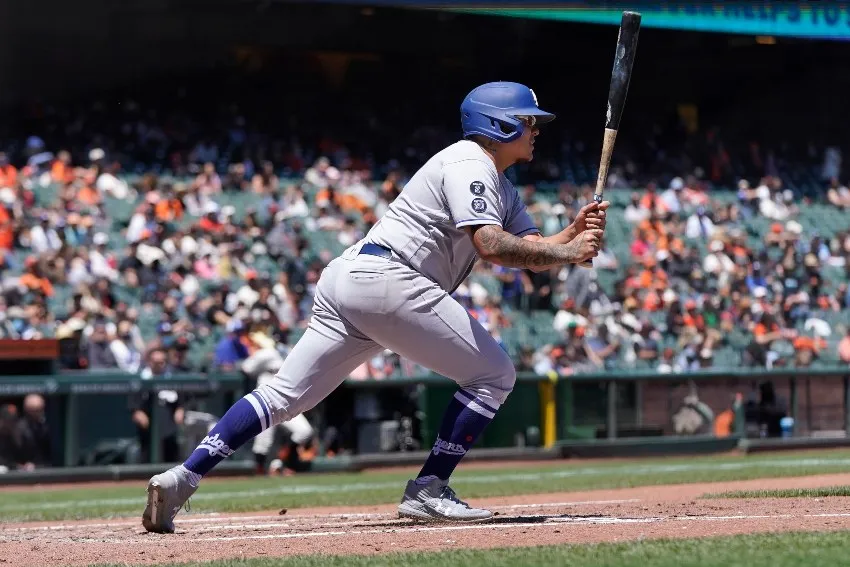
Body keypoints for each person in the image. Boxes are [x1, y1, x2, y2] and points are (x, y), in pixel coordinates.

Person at [142, 81, 606, 532]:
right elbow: (490, 245)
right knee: (495, 376)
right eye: (528, 122)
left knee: (284, 395)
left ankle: (182, 477)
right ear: (500, 125)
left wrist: (572, 234)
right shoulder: (470, 162)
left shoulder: (501, 186)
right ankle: (429, 487)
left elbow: (531, 251)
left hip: (355, 280)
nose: (536, 131)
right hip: (391, 280)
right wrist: (566, 251)